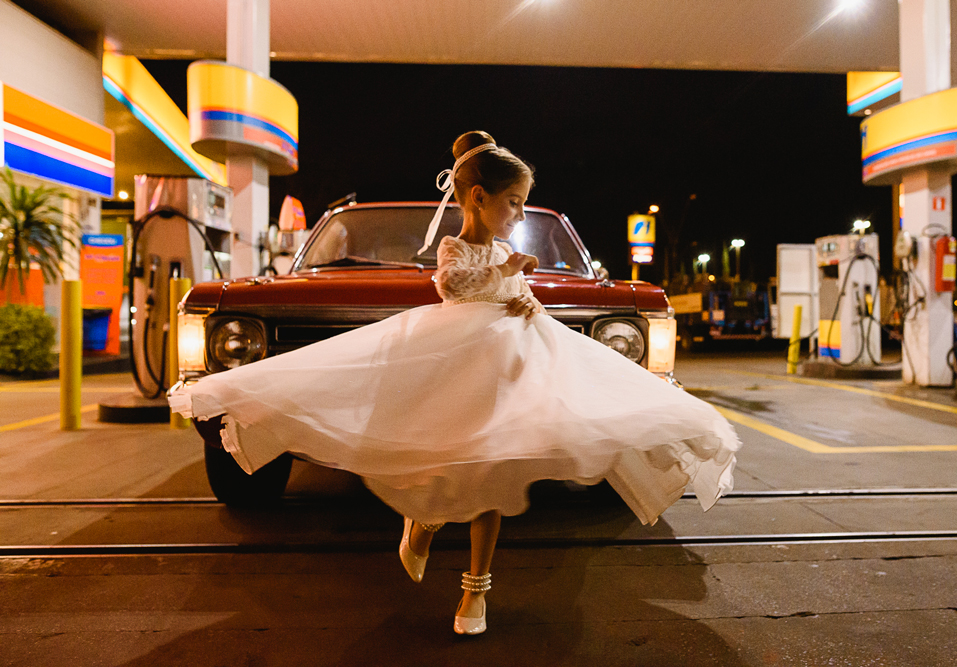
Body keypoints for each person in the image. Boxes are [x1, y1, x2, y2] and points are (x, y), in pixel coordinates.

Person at [170, 131, 740, 636]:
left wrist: (524, 302)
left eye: (522, 204)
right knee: (446, 462)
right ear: (478, 198)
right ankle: (421, 522)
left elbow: (520, 299)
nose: (518, 214)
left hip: (506, 378)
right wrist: (506, 273)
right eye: (513, 203)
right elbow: (454, 285)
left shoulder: (505, 250)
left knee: (491, 473)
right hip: (453, 370)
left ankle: (475, 587)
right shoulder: (457, 248)